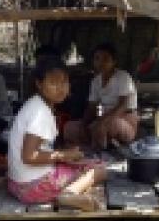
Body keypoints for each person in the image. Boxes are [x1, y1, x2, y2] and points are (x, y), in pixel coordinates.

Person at [7, 56, 106, 211]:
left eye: (64, 82)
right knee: (99, 169)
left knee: (81, 162)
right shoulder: (40, 113)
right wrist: (63, 155)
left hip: (17, 184)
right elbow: (29, 156)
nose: (61, 88)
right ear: (39, 84)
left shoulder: (34, 104)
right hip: (33, 188)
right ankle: (69, 194)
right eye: (53, 82)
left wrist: (65, 156)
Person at [64, 43, 139, 150]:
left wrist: (104, 121)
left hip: (125, 120)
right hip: (104, 118)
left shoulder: (123, 77)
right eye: (97, 59)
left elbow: (123, 105)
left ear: (114, 62)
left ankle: (101, 153)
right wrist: (84, 123)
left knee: (105, 126)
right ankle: (86, 152)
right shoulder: (96, 81)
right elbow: (91, 107)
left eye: (106, 59)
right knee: (70, 128)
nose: (101, 63)